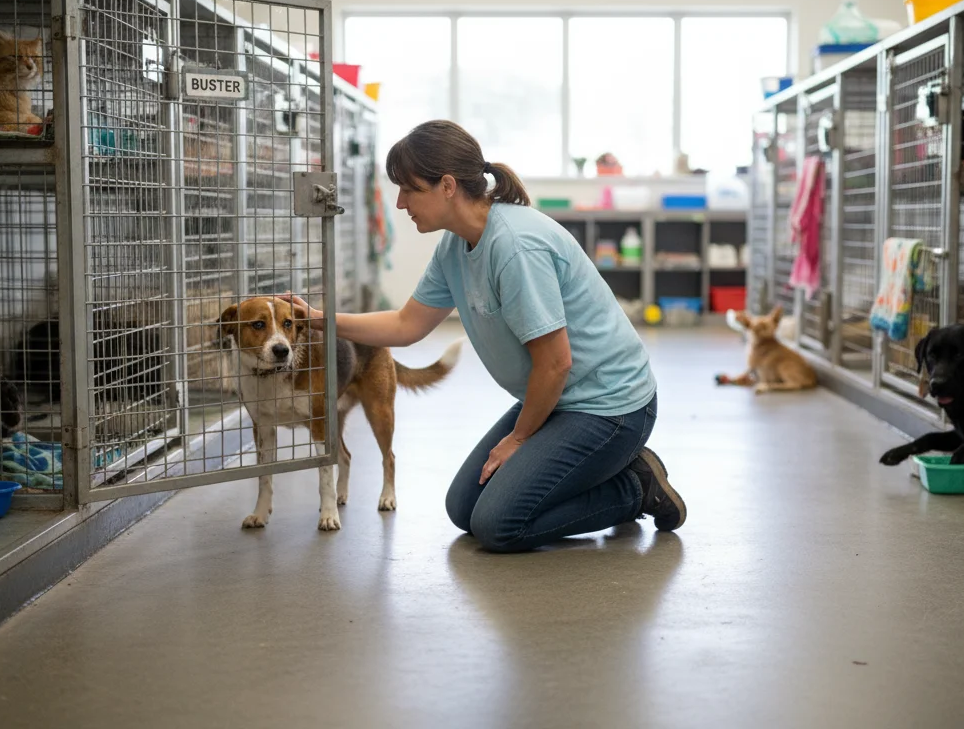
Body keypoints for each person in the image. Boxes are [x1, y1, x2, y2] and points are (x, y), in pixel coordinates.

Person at [287, 119, 684, 552]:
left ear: (448, 186)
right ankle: (595, 474)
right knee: (464, 509)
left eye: (408, 190)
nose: (400, 203)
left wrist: (519, 439)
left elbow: (556, 363)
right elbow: (407, 325)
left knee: (499, 524)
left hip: (611, 407)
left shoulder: (515, 246)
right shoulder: (456, 245)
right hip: (560, 400)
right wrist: (320, 319)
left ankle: (634, 490)